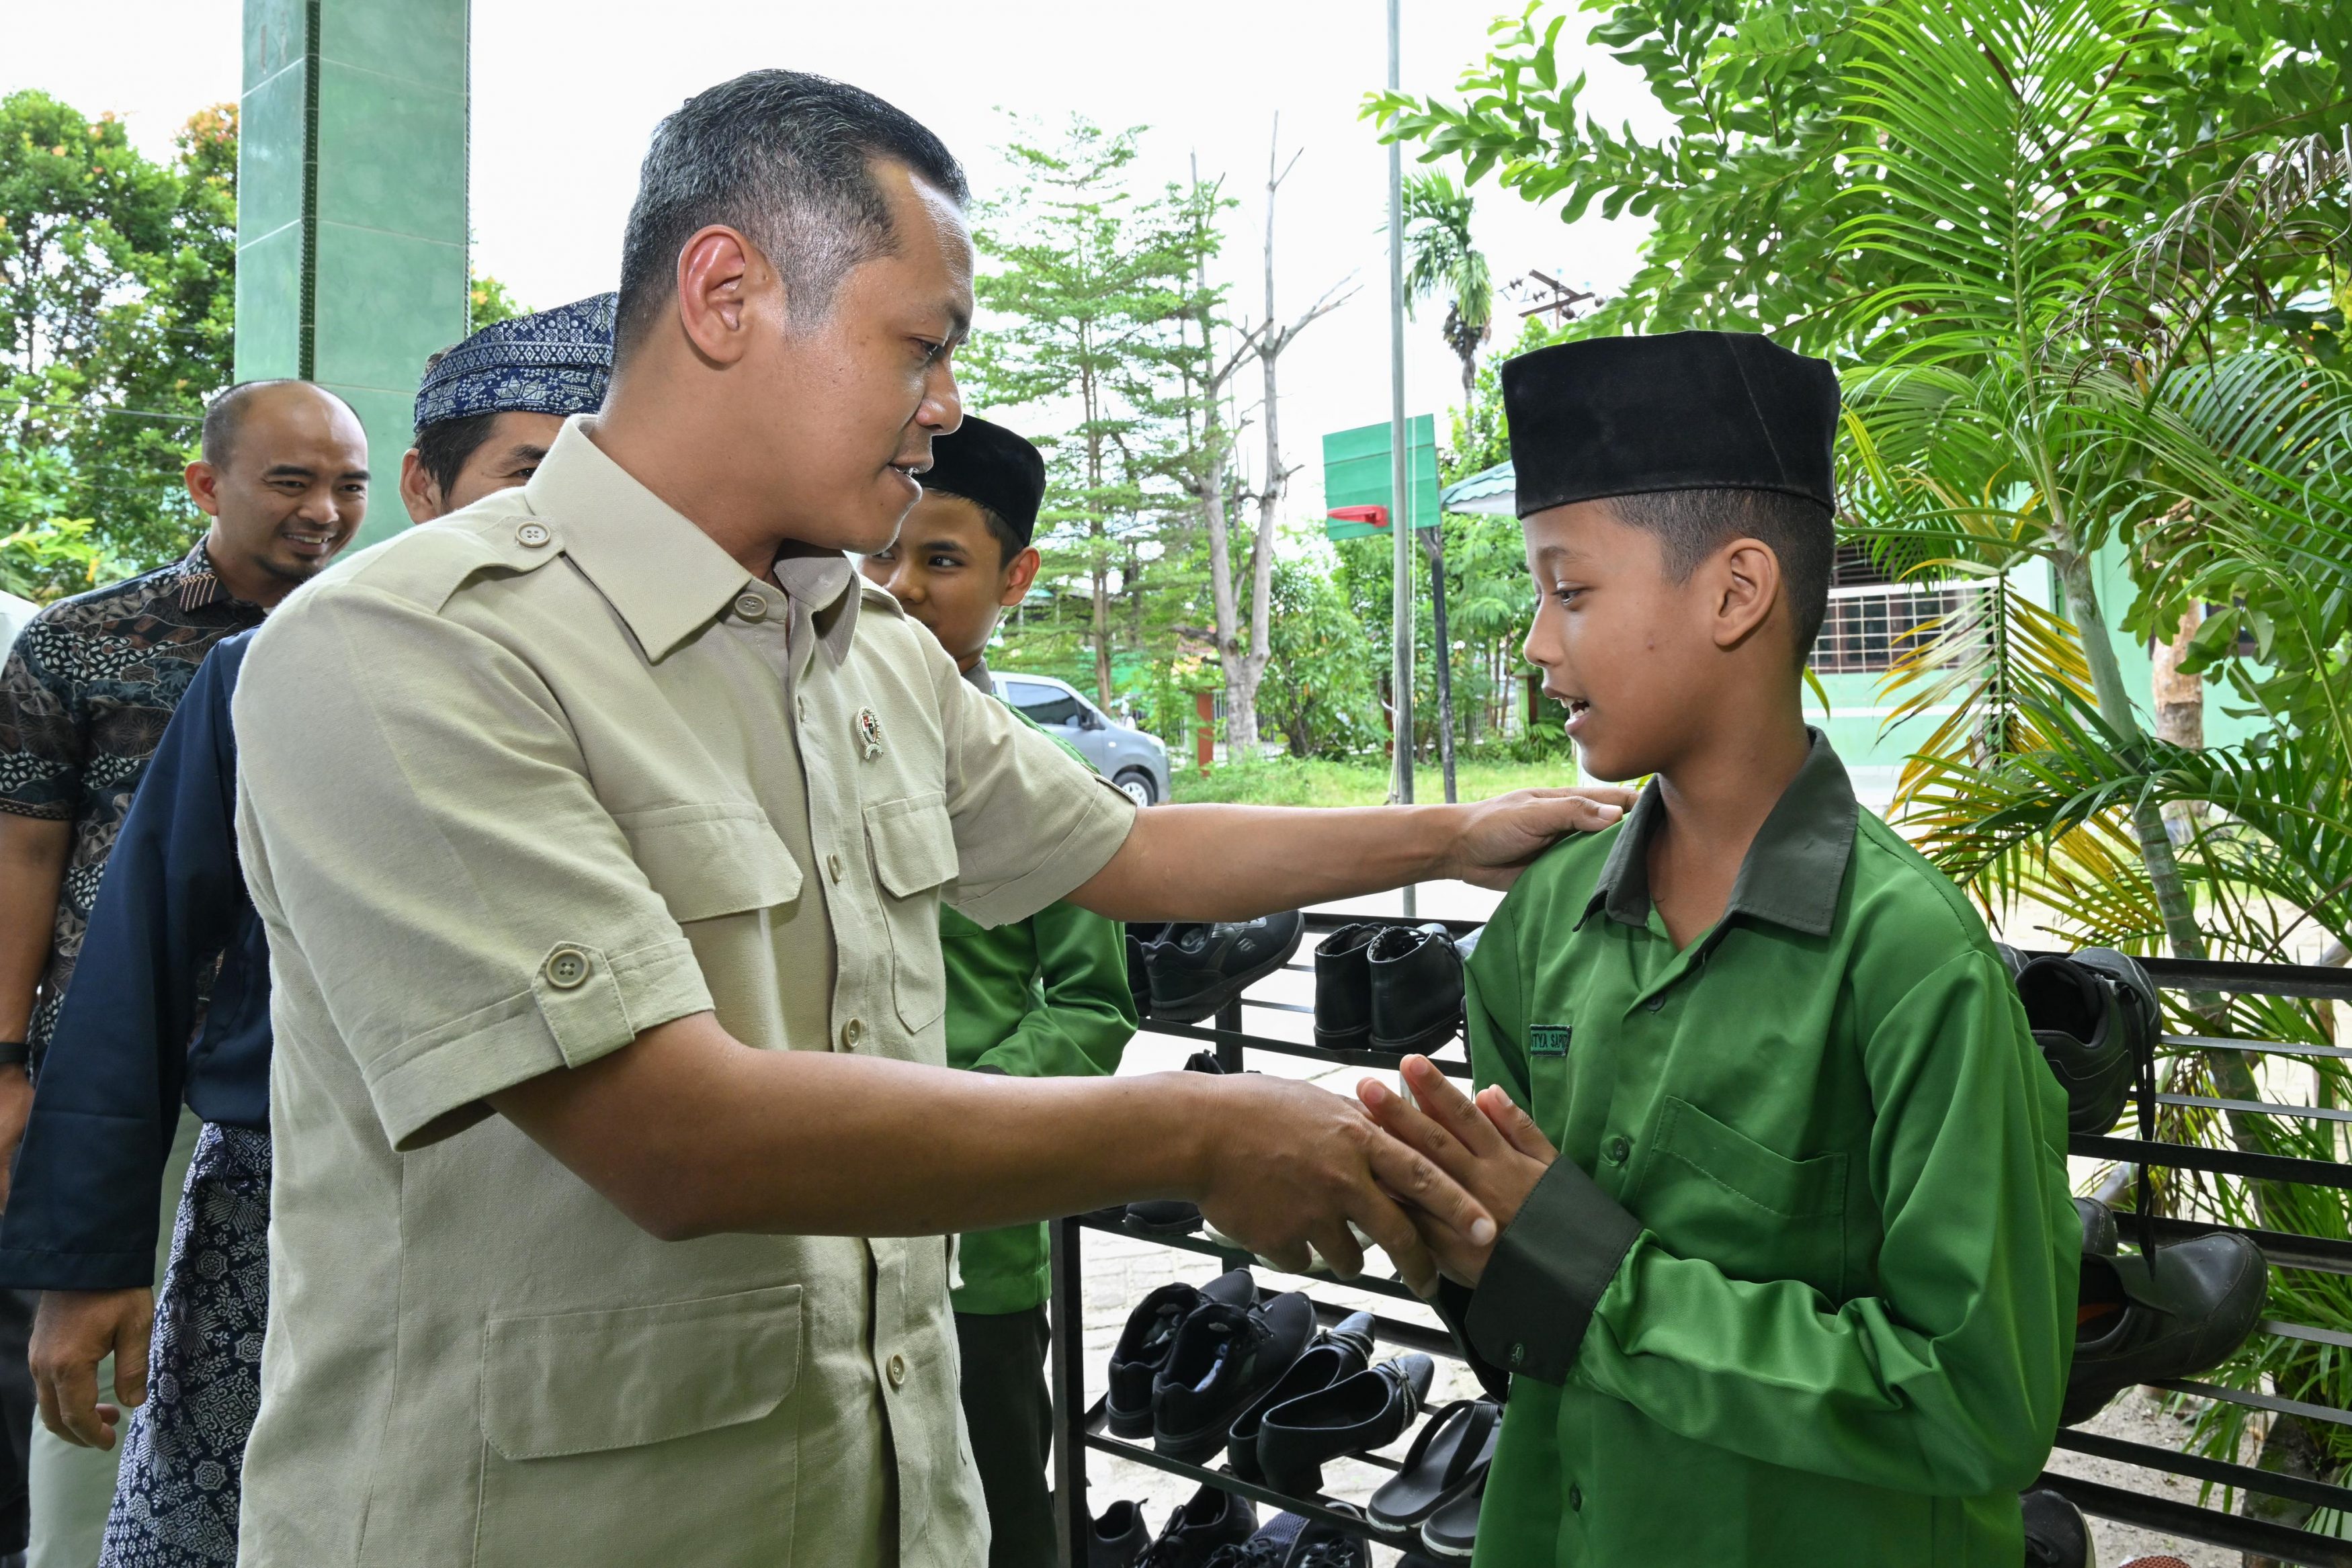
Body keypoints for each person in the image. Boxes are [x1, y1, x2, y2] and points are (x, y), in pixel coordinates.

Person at [226, 71, 1626, 1568]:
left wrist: (1454, 836)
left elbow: (1122, 851)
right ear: (725, 293)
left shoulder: (857, 644)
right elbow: (672, 1135)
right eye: (923, 346)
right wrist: (1200, 1123)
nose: (946, 408)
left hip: (867, 1499)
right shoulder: (411, 650)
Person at [1351, 331, 2076, 1566]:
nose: (1535, 640)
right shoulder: (1541, 928)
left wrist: (1594, 1275)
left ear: (1736, 593)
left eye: (1569, 590)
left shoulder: (1910, 964)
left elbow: (1982, 1398)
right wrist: (1438, 1224)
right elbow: (1513, 1314)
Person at [0, 298, 618, 1568]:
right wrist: (58, 1176)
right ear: (433, 488)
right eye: (529, 474)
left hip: (563, 1190)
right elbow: (94, 917)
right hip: (254, 1146)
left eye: (604, 479)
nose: (567, 517)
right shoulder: (236, 660)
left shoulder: (664, 677)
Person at [0, 381, 367, 1568]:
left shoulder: (390, 642)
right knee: (103, 1387)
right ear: (208, 485)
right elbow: (23, 856)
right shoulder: (84, 640)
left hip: (290, 1086)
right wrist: (9, 1067)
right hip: (121, 1077)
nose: (323, 511)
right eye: (291, 481)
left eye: (348, 485)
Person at [859, 415, 1131, 1567]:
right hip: (824, 1216)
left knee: (993, 1514)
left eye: (943, 560)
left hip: (979, 1243)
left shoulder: (1047, 781)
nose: (903, 588)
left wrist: (948, 1117)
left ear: (1015, 577)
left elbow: (1090, 1007)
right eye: (887, 556)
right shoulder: (824, 747)